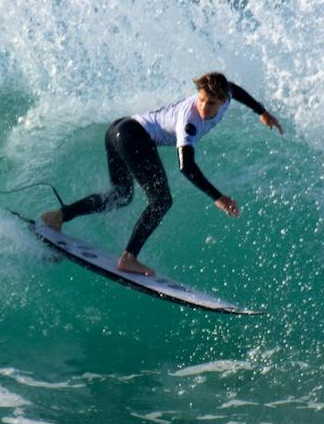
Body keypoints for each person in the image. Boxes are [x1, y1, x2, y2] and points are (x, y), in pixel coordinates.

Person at [40, 72, 283, 276]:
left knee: (122, 194)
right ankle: (128, 258)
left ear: (222, 101)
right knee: (162, 200)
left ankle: (58, 216)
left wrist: (261, 111)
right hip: (132, 136)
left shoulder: (225, 93)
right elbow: (186, 167)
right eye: (201, 100)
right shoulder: (189, 122)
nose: (203, 107)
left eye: (210, 103)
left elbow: (234, 89)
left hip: (119, 129)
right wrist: (218, 198)